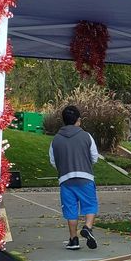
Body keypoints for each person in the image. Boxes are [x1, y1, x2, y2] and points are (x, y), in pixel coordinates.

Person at [49, 105, 100, 250]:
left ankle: (73, 239)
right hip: (85, 177)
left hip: (65, 180)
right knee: (90, 204)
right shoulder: (86, 136)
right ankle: (88, 228)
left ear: (63, 121)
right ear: (79, 120)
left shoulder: (55, 140)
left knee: (70, 209)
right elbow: (94, 157)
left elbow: (53, 161)